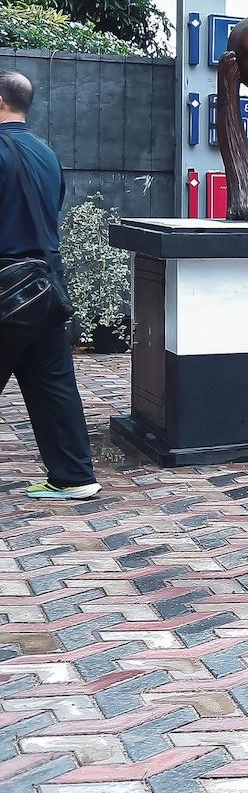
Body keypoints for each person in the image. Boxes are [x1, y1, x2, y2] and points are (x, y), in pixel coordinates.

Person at [0, 72, 98, 500]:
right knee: (53, 383)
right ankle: (74, 477)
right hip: (45, 284)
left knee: (52, 382)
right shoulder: (46, 153)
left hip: (4, 286)